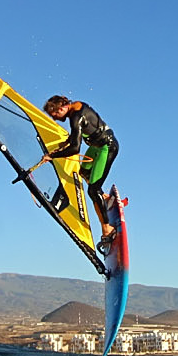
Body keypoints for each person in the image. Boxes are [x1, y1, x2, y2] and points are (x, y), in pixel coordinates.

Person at [40, 95, 119, 250]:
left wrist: (52, 156)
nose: (55, 119)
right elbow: (77, 134)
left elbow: (76, 148)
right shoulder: (77, 107)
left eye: (55, 115)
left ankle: (107, 229)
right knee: (83, 171)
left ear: (62, 107)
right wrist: (66, 143)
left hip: (106, 148)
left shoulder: (75, 116)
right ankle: (105, 198)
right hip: (97, 146)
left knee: (93, 190)